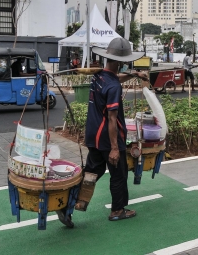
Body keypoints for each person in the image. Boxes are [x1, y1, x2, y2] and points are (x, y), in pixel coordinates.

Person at [58, 37, 147, 228]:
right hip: (109, 139)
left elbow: (116, 78)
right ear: (122, 61)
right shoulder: (113, 86)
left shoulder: (99, 77)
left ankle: (67, 205)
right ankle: (117, 210)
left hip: (94, 136)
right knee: (118, 174)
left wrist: (135, 74)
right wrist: (115, 148)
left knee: (92, 173)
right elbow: (112, 118)